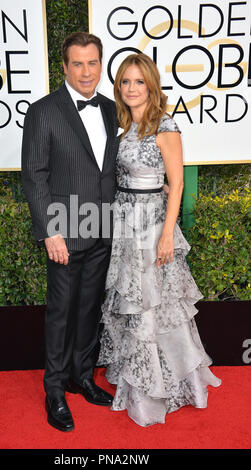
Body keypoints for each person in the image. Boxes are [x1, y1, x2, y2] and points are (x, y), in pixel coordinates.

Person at [97, 53, 221, 427]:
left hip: (151, 224)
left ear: (151, 85)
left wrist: (167, 234)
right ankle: (139, 374)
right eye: (125, 82)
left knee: (153, 304)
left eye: (139, 81)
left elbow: (177, 182)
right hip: (124, 220)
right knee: (132, 300)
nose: (132, 88)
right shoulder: (123, 126)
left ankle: (157, 389)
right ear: (119, 87)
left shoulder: (165, 125)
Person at [21, 32, 119, 432]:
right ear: (63, 67)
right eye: (77, 64)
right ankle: (55, 391)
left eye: (92, 63)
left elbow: (115, 164)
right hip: (65, 229)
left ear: (101, 64)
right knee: (61, 313)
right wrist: (50, 231)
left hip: (102, 228)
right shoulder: (43, 111)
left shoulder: (112, 108)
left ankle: (83, 378)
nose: (85, 72)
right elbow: (34, 175)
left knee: (89, 309)